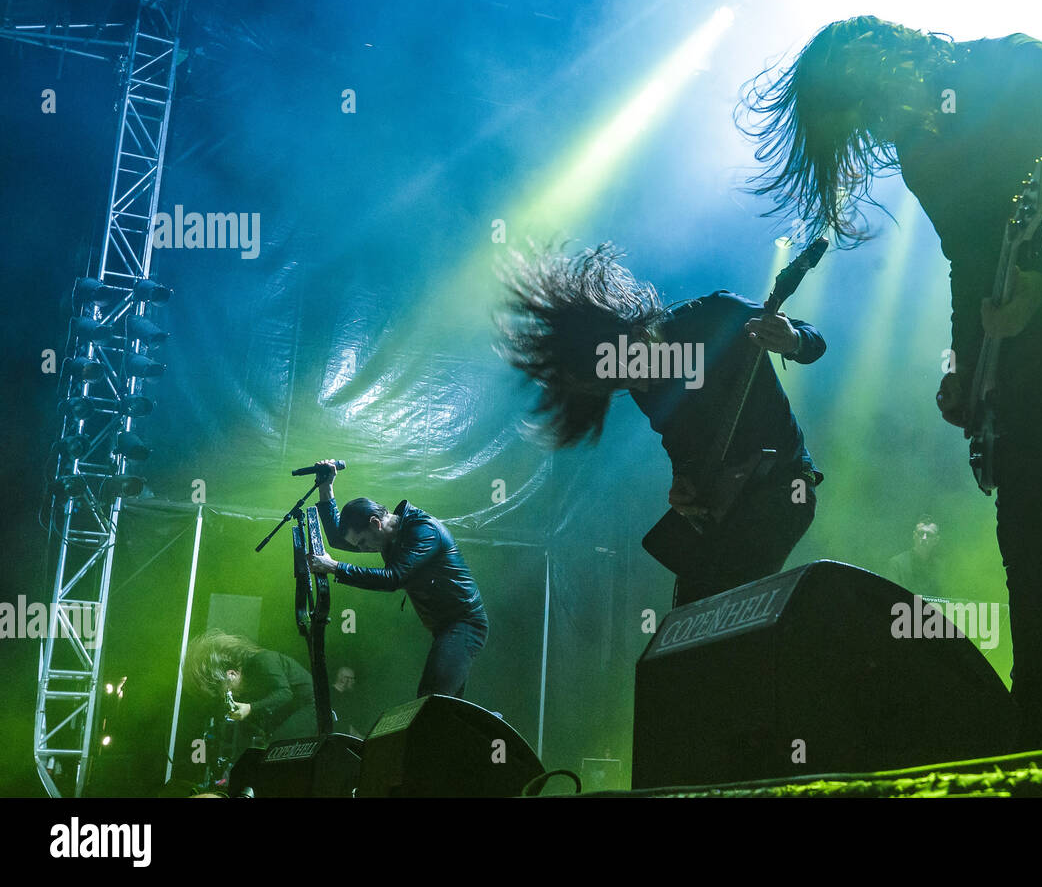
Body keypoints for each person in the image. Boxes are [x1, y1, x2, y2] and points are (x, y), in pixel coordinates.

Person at [743, 16, 1042, 747]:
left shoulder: (1023, 67)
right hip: (1031, 338)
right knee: (1030, 531)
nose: (875, 133)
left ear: (883, 71)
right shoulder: (921, 151)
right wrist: (966, 366)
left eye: (865, 112)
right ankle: (1038, 742)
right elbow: (967, 261)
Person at [497, 242, 826, 606]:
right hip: (726, 501)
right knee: (688, 616)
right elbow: (678, 441)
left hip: (782, 485)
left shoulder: (717, 314)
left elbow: (814, 340)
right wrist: (683, 479)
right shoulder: (641, 383)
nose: (638, 386)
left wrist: (793, 340)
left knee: (728, 608)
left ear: (636, 337)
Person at [307, 461, 488, 700]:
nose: (364, 549)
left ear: (375, 522)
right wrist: (326, 486)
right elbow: (339, 540)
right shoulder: (386, 536)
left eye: (362, 542)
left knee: (431, 700)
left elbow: (393, 579)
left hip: (465, 622)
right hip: (445, 626)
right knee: (446, 707)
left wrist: (335, 567)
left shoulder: (423, 531)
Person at [183, 628, 316, 742]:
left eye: (224, 689)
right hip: (297, 710)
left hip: (314, 705)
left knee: (278, 742)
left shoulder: (262, 660)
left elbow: (284, 694)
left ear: (231, 674)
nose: (231, 694)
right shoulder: (248, 687)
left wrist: (250, 708)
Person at [886, 515, 947, 596]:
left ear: (936, 540)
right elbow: (890, 595)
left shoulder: (941, 567)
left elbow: (946, 597)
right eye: (921, 533)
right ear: (914, 535)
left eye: (929, 534)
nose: (924, 538)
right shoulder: (897, 563)